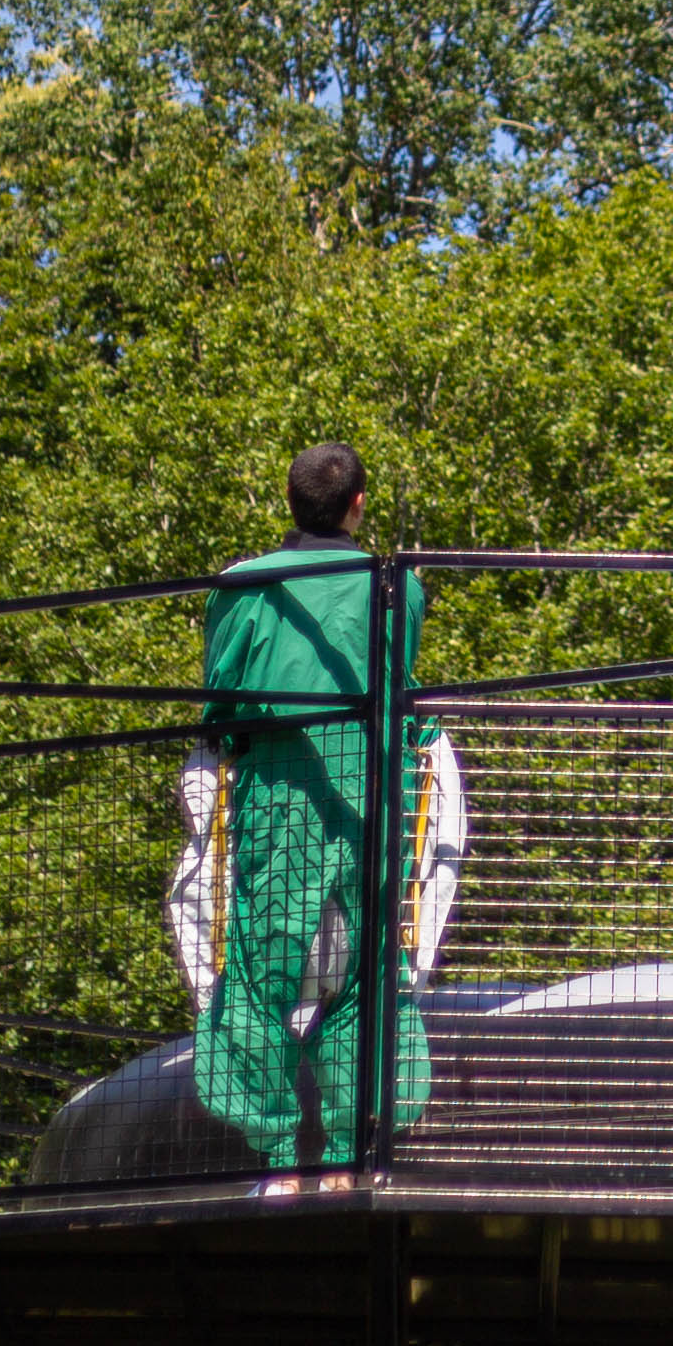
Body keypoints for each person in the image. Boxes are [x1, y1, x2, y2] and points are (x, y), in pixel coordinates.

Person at [193, 444, 435, 1168]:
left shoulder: (244, 586)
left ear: (290, 500)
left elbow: (220, 698)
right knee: (367, 970)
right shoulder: (397, 587)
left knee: (262, 970)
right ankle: (348, 1156)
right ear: (359, 505)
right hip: (371, 792)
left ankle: (272, 1159)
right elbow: (402, 685)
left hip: (280, 790)